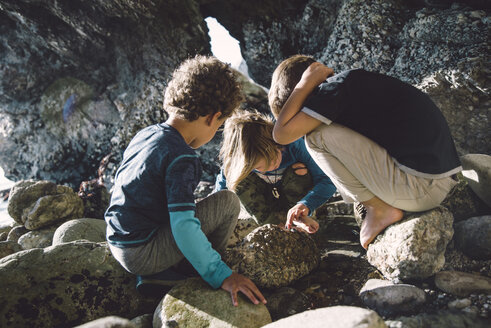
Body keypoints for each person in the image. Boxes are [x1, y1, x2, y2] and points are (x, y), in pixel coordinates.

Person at [104, 55, 266, 307]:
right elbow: (183, 227)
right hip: (143, 252)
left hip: (118, 240)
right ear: (213, 117)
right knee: (227, 202)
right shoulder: (182, 157)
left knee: (191, 206)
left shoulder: (145, 135)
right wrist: (222, 275)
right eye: (220, 125)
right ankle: (199, 270)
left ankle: (163, 272)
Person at [268, 54, 461, 249]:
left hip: (421, 189)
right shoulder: (352, 85)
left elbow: (280, 135)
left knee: (316, 137)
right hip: (438, 180)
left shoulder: (332, 90)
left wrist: (305, 83)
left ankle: (378, 209)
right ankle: (377, 205)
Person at [215, 109, 336, 233]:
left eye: (273, 159)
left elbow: (328, 180)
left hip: (293, 197)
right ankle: (276, 226)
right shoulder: (235, 163)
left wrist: (306, 204)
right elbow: (220, 195)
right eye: (260, 167)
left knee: (300, 169)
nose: (271, 167)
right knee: (237, 180)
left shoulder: (293, 145)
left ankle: (298, 218)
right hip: (265, 202)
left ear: (277, 143)